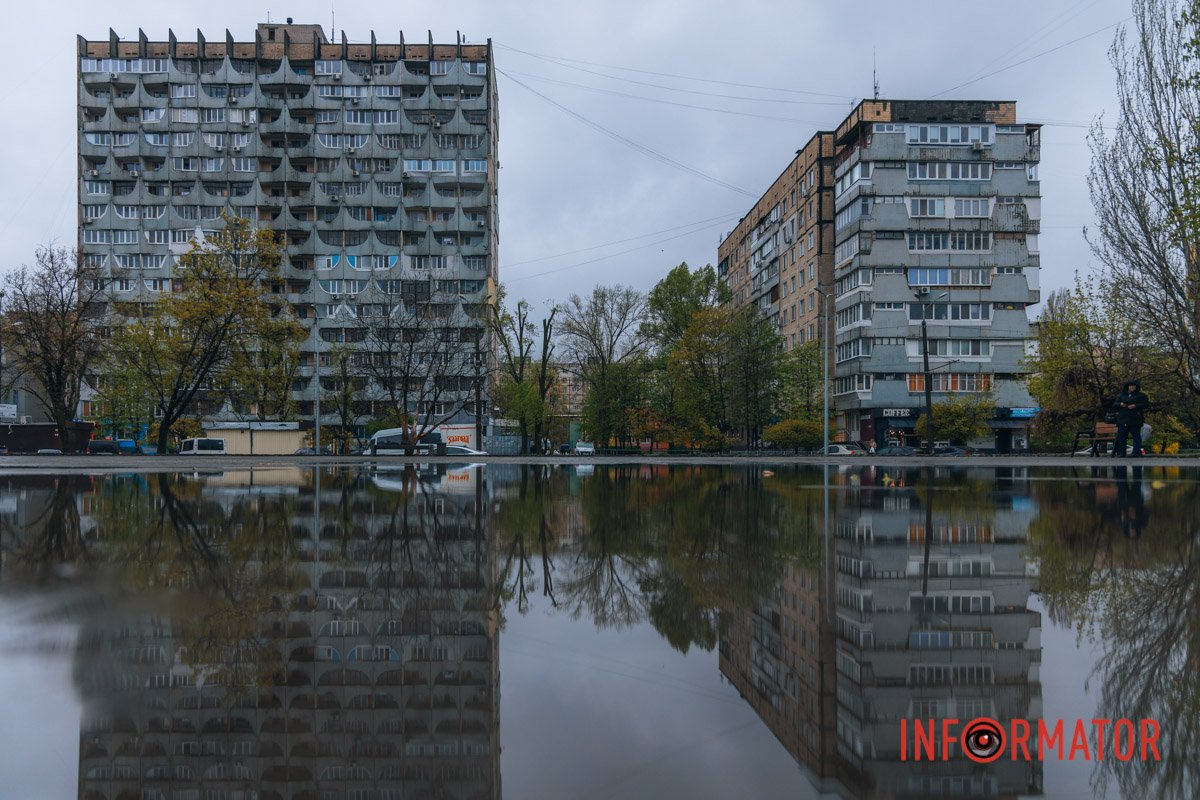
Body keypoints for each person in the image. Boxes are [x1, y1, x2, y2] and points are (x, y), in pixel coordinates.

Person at [1110, 379, 1150, 457]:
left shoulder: (1141, 395)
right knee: (1121, 436)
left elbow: (1146, 405)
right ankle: (1121, 452)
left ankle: (1136, 452)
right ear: (1127, 387)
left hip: (1135, 419)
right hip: (1123, 419)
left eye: (1133, 386)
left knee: (1136, 436)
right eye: (1130, 386)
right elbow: (1114, 404)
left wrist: (1135, 405)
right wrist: (1120, 404)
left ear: (1136, 387)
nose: (1132, 387)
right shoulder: (1121, 395)